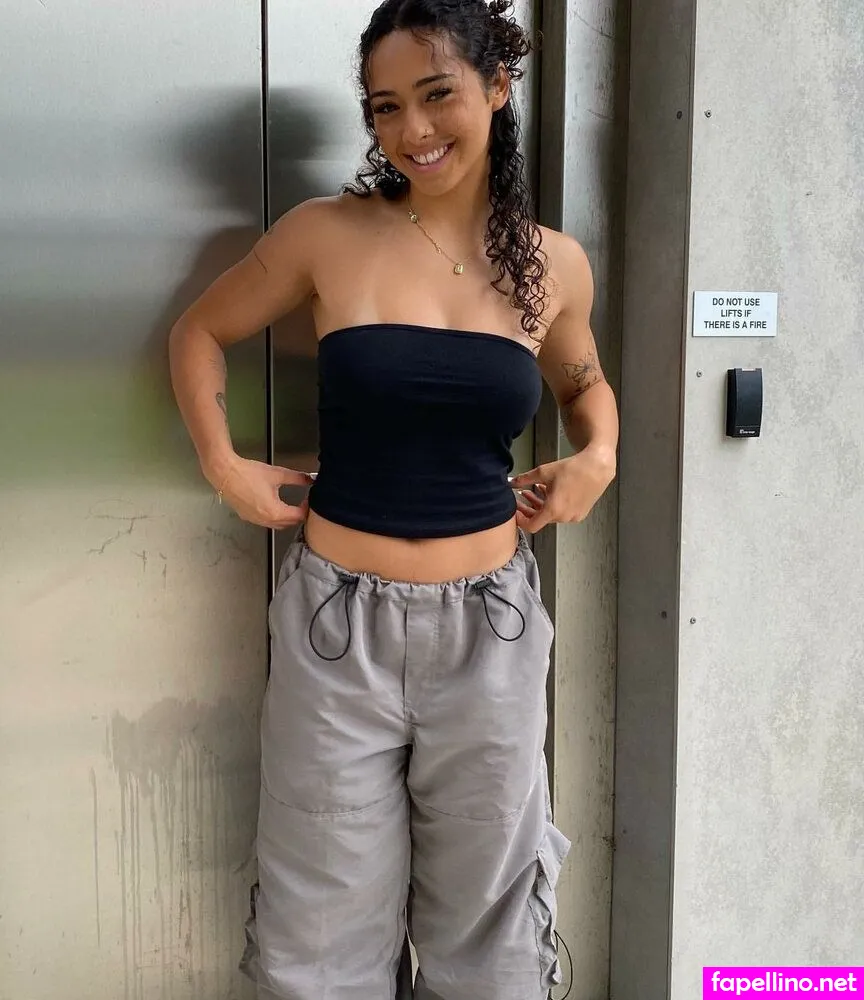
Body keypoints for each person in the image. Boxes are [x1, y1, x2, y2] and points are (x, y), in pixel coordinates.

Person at [168, 1, 618, 996]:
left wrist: (599, 456)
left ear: (497, 87)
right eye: (384, 106)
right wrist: (224, 464)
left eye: (436, 94)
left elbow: (584, 384)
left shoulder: (553, 264)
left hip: (491, 634)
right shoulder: (325, 234)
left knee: (492, 931)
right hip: (338, 632)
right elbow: (198, 331)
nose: (412, 129)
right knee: (319, 932)